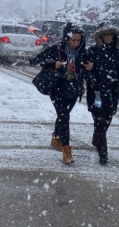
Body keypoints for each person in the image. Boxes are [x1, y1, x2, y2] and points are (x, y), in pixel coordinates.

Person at [32, 22, 88, 165]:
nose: (75, 43)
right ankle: (66, 150)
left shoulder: (83, 53)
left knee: (63, 115)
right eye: (73, 40)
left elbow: (89, 69)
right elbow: (36, 60)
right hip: (57, 88)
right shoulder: (56, 49)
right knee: (64, 116)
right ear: (67, 38)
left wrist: (89, 68)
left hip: (73, 90)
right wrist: (53, 64)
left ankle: (56, 136)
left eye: (78, 40)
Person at [84, 21, 119, 165]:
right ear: (100, 36)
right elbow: (86, 70)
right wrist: (93, 81)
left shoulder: (118, 51)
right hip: (97, 92)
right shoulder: (93, 51)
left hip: (112, 91)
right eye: (105, 34)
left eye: (111, 34)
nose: (108, 37)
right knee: (99, 119)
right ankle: (103, 152)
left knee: (108, 117)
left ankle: (97, 138)